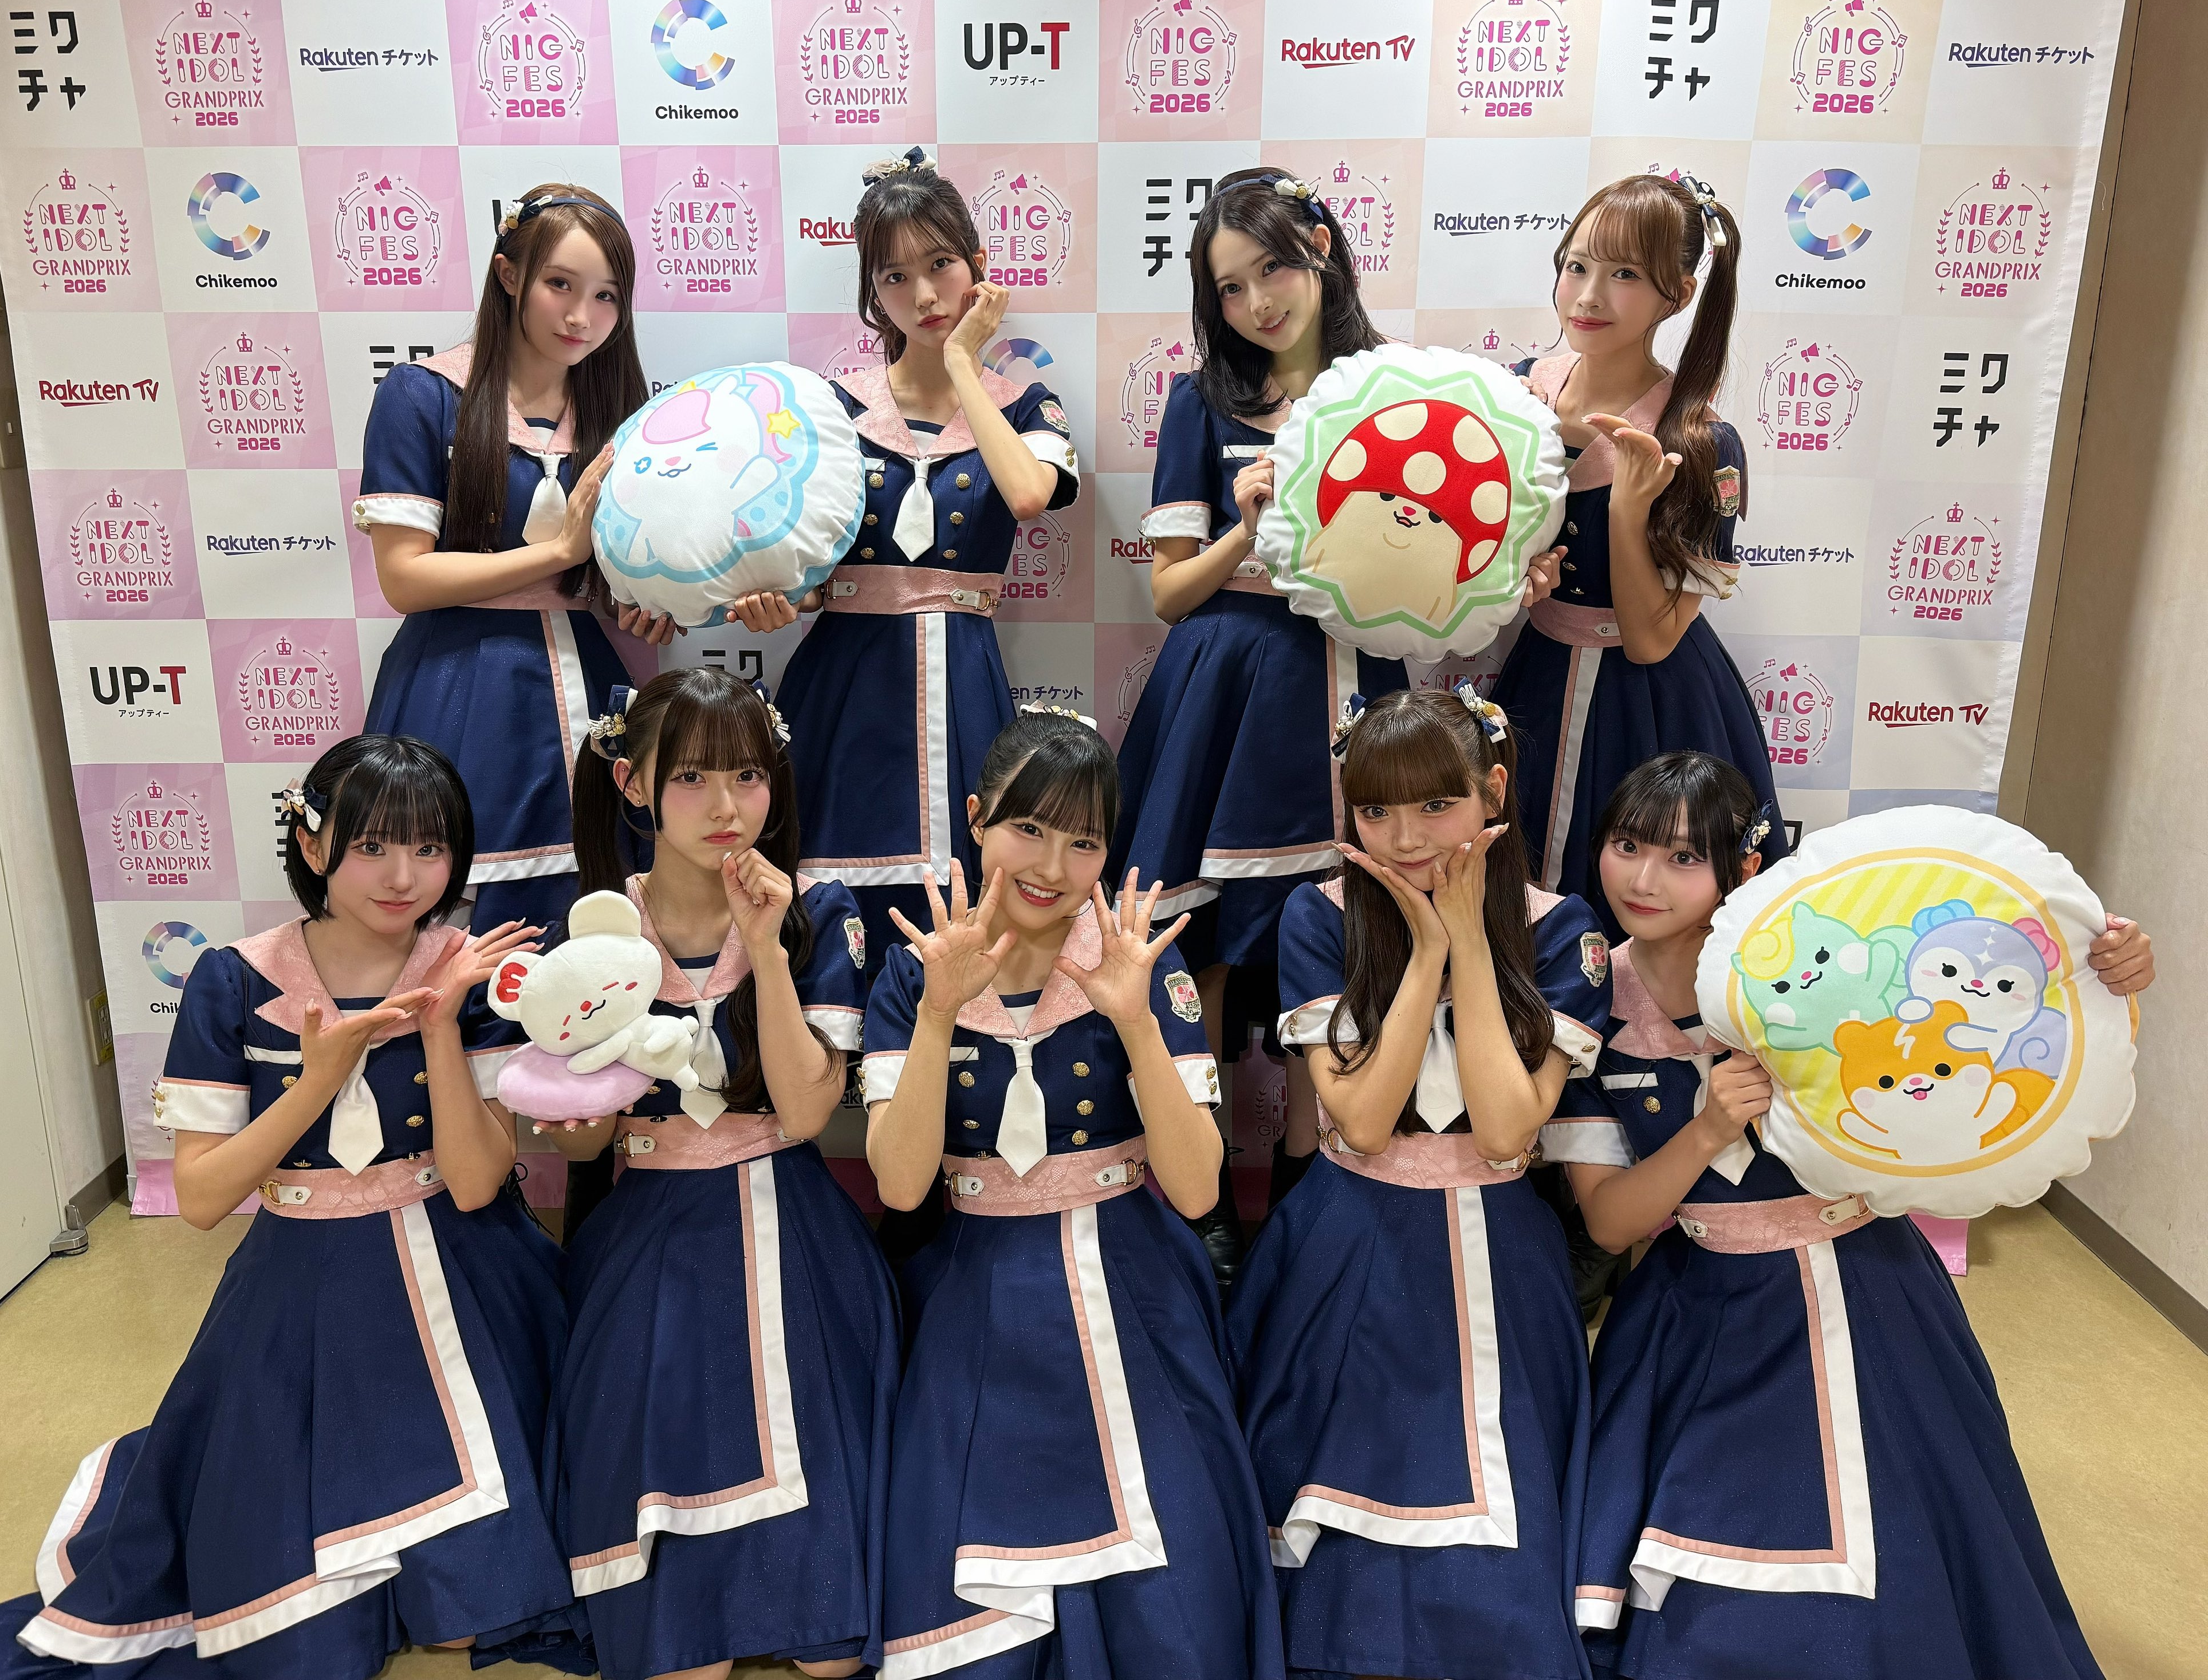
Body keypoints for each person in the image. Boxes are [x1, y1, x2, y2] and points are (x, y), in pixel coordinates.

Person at [0, 736, 580, 1679]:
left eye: (430, 848)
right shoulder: (233, 979)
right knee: (300, 1638)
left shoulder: (470, 968)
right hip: (303, 1276)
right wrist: (315, 1082)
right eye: (372, 846)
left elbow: (473, 1185)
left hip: (467, 1270)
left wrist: (440, 1026)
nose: (404, 877)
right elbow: (203, 1198)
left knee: (471, 1615)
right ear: (311, 842)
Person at [1542, 751, 2155, 1680]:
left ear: (1745, 867)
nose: (1644, 879)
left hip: (1870, 1289)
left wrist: (2108, 964)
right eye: (1628, 845)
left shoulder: (1834, 966)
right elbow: (1609, 1227)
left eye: (1683, 857)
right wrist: (1706, 1131)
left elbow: (1997, 1001)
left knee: (1911, 1556)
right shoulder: (1586, 1001)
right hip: (1695, 1309)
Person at [1112, 168, 1564, 1235]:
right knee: (1205, 945)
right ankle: (1205, 1199)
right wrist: (1249, 527)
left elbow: (1451, 559)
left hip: (1363, 678)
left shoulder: (1406, 391)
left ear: (1320, 249)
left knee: (1354, 925)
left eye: (1271, 268)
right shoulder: (1202, 401)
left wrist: (1513, 576)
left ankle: (1314, 1181)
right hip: (1228, 691)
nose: (1255, 302)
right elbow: (1169, 593)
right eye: (1229, 288)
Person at [860, 709, 1284, 1678]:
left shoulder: (1140, 960)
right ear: (976, 818)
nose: (1054, 866)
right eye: (1029, 828)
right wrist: (937, 1014)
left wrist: (1135, 1022)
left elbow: (1195, 1190)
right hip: (975, 1291)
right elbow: (903, 1182)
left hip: (1136, 1287)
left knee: (1179, 1604)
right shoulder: (915, 969)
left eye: (1085, 841)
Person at [1226, 686, 1609, 1680]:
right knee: (1326, 1505)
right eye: (1376, 810)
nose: (1404, 838)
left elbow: (1508, 1130)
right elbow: (1360, 1119)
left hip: (1503, 1245)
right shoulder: (1316, 916)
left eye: (1437, 806)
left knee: (1504, 1519)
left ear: (1494, 793)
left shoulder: (1562, 929)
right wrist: (1425, 949)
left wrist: (1470, 942)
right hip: (1344, 1236)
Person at [525, 668, 896, 1680]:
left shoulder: (820, 910)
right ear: (633, 784)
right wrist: (573, 1110)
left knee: (833, 1658)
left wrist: (767, 948)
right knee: (676, 1658)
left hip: (796, 1223)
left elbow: (809, 1114)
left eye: (748, 774)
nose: (726, 804)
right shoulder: (593, 928)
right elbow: (584, 1150)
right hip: (645, 1226)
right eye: (691, 777)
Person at [775, 148, 1077, 969]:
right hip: (843, 685)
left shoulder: (1027, 404)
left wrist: (963, 367)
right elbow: (796, 561)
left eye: (941, 265)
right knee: (829, 892)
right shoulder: (832, 408)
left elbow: (1029, 495)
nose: (925, 295)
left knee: (969, 891)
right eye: (895, 277)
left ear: (978, 267)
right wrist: (777, 598)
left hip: (966, 680)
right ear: (873, 294)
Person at [355, 182, 642, 940]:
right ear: (509, 274)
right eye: (561, 285)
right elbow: (405, 578)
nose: (582, 317)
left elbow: (621, 582)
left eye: (607, 296)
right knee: (448, 928)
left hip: (590, 684)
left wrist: (655, 604)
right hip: (458, 686)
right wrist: (559, 552)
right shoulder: (423, 396)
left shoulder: (621, 417)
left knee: (598, 922)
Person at [1493, 173, 1776, 924]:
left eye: (1624, 275)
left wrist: (1627, 508)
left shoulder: (1702, 443)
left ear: (1678, 295)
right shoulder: (1515, 397)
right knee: (1513, 890)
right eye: (1577, 265)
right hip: (1538, 675)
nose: (1588, 296)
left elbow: (1652, 642)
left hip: (1651, 700)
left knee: (1645, 910)